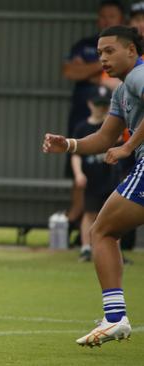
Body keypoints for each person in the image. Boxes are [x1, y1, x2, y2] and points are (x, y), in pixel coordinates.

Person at [43, 25, 144, 346]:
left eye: (109, 51)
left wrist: (128, 148)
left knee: (101, 231)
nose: (103, 58)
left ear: (132, 51)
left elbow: (119, 141)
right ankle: (115, 318)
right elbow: (103, 137)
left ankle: (115, 317)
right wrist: (69, 144)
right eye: (99, 52)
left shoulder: (139, 76)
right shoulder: (122, 89)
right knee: (103, 231)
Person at [62, 0, 124, 231]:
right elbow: (70, 71)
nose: (106, 20)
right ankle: (77, 225)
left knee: (109, 177)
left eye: (112, 16)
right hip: (82, 122)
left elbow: (114, 81)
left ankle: (102, 227)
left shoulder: (131, 56)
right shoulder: (84, 45)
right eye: (103, 16)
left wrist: (89, 70)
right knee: (80, 176)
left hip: (118, 130)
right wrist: (102, 67)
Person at [71, 87, 120, 262]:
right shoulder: (82, 127)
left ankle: (115, 252)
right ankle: (86, 248)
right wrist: (78, 174)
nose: (101, 108)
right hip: (92, 179)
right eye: (98, 104)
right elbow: (76, 155)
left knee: (113, 217)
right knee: (89, 213)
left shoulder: (112, 127)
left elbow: (122, 144)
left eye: (105, 104)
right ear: (90, 104)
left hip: (111, 178)